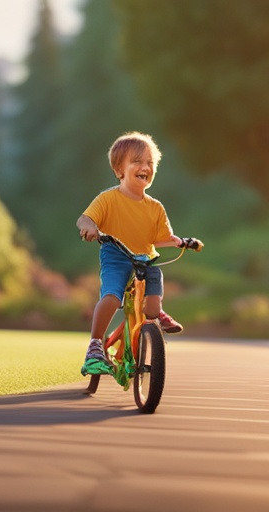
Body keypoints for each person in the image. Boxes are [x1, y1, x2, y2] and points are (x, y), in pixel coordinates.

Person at [76, 132, 201, 376]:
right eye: (137, 161)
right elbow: (84, 218)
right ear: (119, 170)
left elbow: (161, 237)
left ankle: (155, 314)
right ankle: (94, 347)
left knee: (153, 289)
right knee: (112, 296)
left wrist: (181, 242)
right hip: (116, 256)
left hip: (145, 258)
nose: (145, 167)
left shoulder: (155, 207)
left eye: (150, 163)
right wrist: (89, 227)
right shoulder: (108, 199)